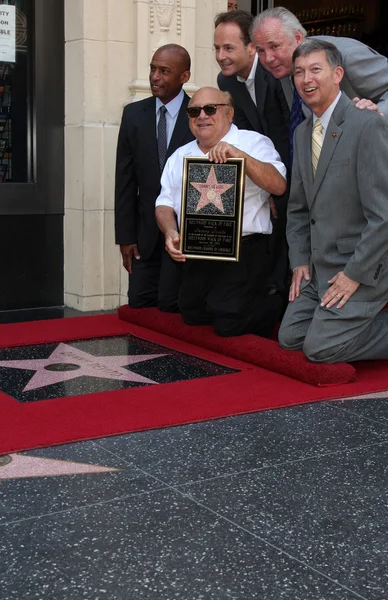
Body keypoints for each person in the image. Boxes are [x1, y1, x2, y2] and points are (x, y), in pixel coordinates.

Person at [278, 39, 388, 363]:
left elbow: (383, 216)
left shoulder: (367, 123)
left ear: (337, 74)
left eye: (316, 70)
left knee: (319, 349)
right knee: (290, 338)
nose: (306, 79)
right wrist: (299, 260)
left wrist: (354, 274)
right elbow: (297, 208)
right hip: (319, 267)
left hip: (364, 266)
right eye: (299, 72)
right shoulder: (301, 132)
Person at [155, 87, 287, 338]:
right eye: (194, 111)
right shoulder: (180, 155)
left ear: (230, 114)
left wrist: (241, 157)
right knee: (192, 314)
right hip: (198, 248)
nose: (202, 116)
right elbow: (164, 203)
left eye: (210, 109)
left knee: (227, 324)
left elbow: (279, 185)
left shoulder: (253, 142)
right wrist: (171, 231)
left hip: (245, 250)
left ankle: (274, 302)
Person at [214, 10, 291, 298]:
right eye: (217, 48)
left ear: (250, 48)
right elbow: (246, 139)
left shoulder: (277, 73)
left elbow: (293, 133)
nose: (221, 56)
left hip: (295, 165)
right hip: (267, 169)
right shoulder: (226, 83)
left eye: (228, 48)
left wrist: (280, 184)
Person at [114, 44, 194, 312]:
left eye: (164, 71)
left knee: (172, 307)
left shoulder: (200, 116)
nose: (154, 77)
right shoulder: (134, 115)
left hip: (186, 237)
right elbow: (125, 180)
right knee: (139, 304)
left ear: (184, 76)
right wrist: (125, 236)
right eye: (152, 68)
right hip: (144, 237)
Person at [251, 6, 388, 119]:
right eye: (261, 50)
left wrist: (377, 116)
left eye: (275, 46)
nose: (268, 58)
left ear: (298, 37)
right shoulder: (283, 68)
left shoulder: (347, 55)